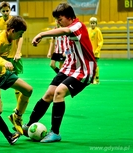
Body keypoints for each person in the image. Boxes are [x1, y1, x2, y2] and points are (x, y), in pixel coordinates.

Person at [22, 2, 97, 143]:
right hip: (69, 67)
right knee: (49, 94)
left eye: (60, 19)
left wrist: (41, 34)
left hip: (84, 70)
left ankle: (55, 133)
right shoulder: (66, 27)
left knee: (59, 92)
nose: (58, 22)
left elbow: (64, 31)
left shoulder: (77, 26)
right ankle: (28, 126)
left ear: (69, 17)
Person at [0, 1, 24, 101]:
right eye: (3, 11)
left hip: (13, 55)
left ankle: (18, 105)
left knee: (16, 79)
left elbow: (20, 37)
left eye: (7, 10)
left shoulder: (15, 20)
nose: (6, 13)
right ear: (0, 11)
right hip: (2, 55)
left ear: (10, 10)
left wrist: (17, 52)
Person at [88, 17, 103, 84]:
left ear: (96, 24)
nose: (92, 24)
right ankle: (91, 78)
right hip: (89, 52)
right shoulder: (88, 30)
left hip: (95, 52)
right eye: (91, 23)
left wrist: (97, 50)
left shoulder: (97, 31)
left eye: (93, 23)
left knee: (95, 65)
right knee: (90, 65)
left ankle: (96, 78)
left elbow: (100, 41)